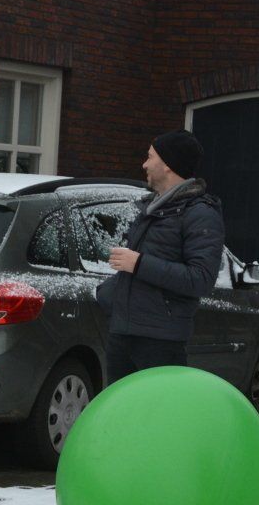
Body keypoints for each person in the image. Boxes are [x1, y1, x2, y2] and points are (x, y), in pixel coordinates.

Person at [96, 129, 225, 381]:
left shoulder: (200, 214)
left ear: (168, 164)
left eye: (150, 156)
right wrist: (105, 294)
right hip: (123, 334)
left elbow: (200, 279)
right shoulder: (152, 208)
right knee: (121, 406)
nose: (144, 164)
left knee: (155, 407)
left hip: (161, 342)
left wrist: (138, 263)